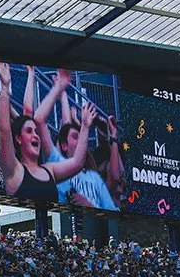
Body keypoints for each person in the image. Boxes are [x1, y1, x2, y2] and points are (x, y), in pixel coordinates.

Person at [0, 62, 96, 202]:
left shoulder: (50, 170)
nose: (35, 135)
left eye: (36, 132)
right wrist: (5, 87)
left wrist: (85, 126)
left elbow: (78, 162)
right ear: (18, 138)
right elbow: (4, 130)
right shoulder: (13, 169)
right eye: (29, 131)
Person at [33, 70, 120, 210]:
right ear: (64, 146)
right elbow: (39, 120)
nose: (81, 140)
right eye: (75, 137)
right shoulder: (56, 164)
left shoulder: (94, 178)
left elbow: (113, 211)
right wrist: (59, 89)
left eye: (82, 137)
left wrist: (89, 206)